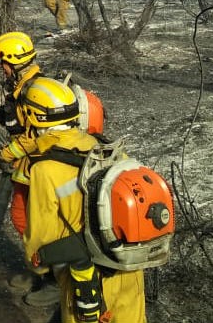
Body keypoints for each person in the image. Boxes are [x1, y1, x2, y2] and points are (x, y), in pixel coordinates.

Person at [19, 78, 147, 323]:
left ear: (34, 118)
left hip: (87, 278)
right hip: (130, 269)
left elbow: (41, 236)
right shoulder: (107, 148)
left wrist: (38, 265)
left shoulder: (45, 169)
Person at [0, 31, 60, 306]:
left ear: (12, 61)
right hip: (28, 169)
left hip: (42, 170)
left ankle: (57, 280)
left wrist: (8, 153)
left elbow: (37, 136)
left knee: (46, 227)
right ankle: (40, 270)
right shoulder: (21, 87)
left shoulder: (36, 90)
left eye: (2, 61)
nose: (0, 67)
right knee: (24, 221)